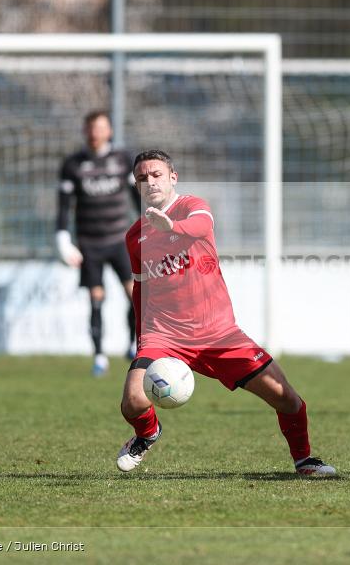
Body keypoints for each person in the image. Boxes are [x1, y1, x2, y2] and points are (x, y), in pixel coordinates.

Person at [115, 149, 336, 477]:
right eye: (142, 178)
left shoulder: (192, 207)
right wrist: (142, 340)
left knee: (288, 400)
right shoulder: (135, 236)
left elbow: (201, 225)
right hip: (165, 336)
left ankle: (304, 461)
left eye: (157, 175)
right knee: (133, 401)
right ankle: (147, 433)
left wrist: (171, 224)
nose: (150, 182)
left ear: (172, 177)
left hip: (218, 333)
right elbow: (141, 290)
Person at [56, 110, 139, 377]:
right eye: (91, 128)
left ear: (109, 131)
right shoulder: (73, 164)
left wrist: (149, 227)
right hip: (89, 243)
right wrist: (62, 239)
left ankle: (132, 344)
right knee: (96, 297)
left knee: (135, 295)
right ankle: (100, 355)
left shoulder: (123, 160)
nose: (95, 133)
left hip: (119, 240)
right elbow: (63, 207)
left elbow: (137, 199)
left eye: (100, 128)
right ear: (85, 131)